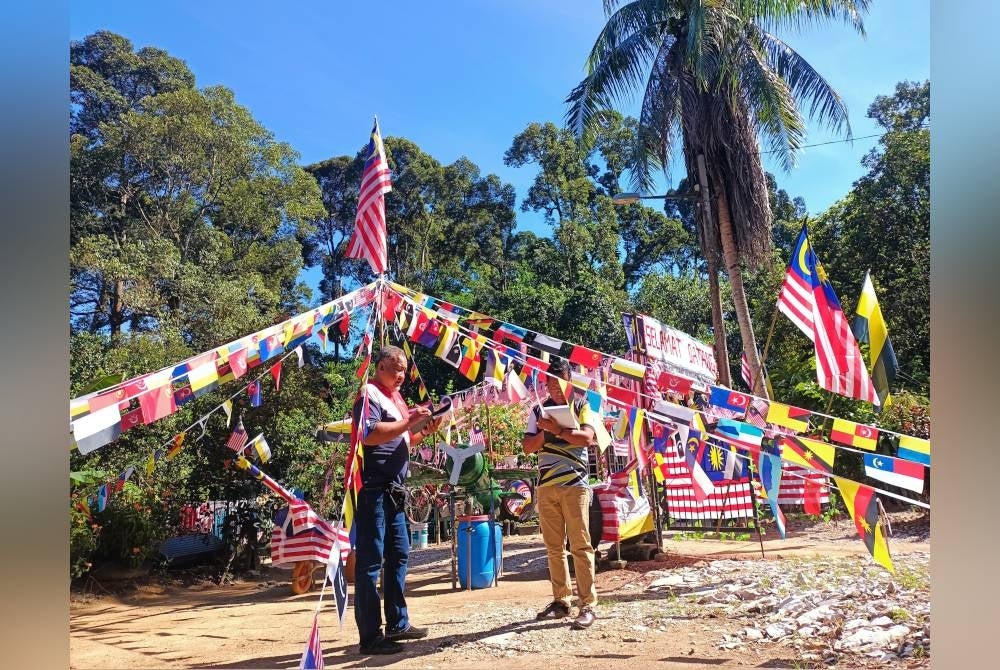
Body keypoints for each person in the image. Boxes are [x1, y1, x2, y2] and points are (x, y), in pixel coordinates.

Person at [352, 345, 444, 655]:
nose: (402, 374)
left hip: (395, 490)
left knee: (399, 554)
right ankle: (370, 637)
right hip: (374, 489)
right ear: (380, 367)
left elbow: (404, 440)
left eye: (404, 369)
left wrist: (424, 430)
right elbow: (370, 435)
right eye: (397, 368)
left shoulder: (396, 398)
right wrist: (409, 420)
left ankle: (397, 622)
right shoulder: (369, 394)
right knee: (370, 562)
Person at [522, 357, 600, 630]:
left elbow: (587, 438)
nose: (554, 388)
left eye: (559, 383)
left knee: (580, 545)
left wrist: (558, 430)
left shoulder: (582, 405)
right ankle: (561, 600)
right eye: (549, 384)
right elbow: (527, 447)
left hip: (575, 485)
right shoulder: (537, 410)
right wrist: (545, 434)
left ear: (569, 381)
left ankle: (588, 604)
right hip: (546, 486)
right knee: (553, 547)